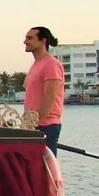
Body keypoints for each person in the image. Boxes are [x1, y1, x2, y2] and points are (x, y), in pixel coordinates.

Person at [23, 26, 65, 154]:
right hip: (32, 126)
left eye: (30, 38)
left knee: (44, 169)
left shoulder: (51, 64)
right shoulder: (36, 65)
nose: (25, 41)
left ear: (43, 41)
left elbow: (50, 98)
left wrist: (36, 124)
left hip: (46, 126)